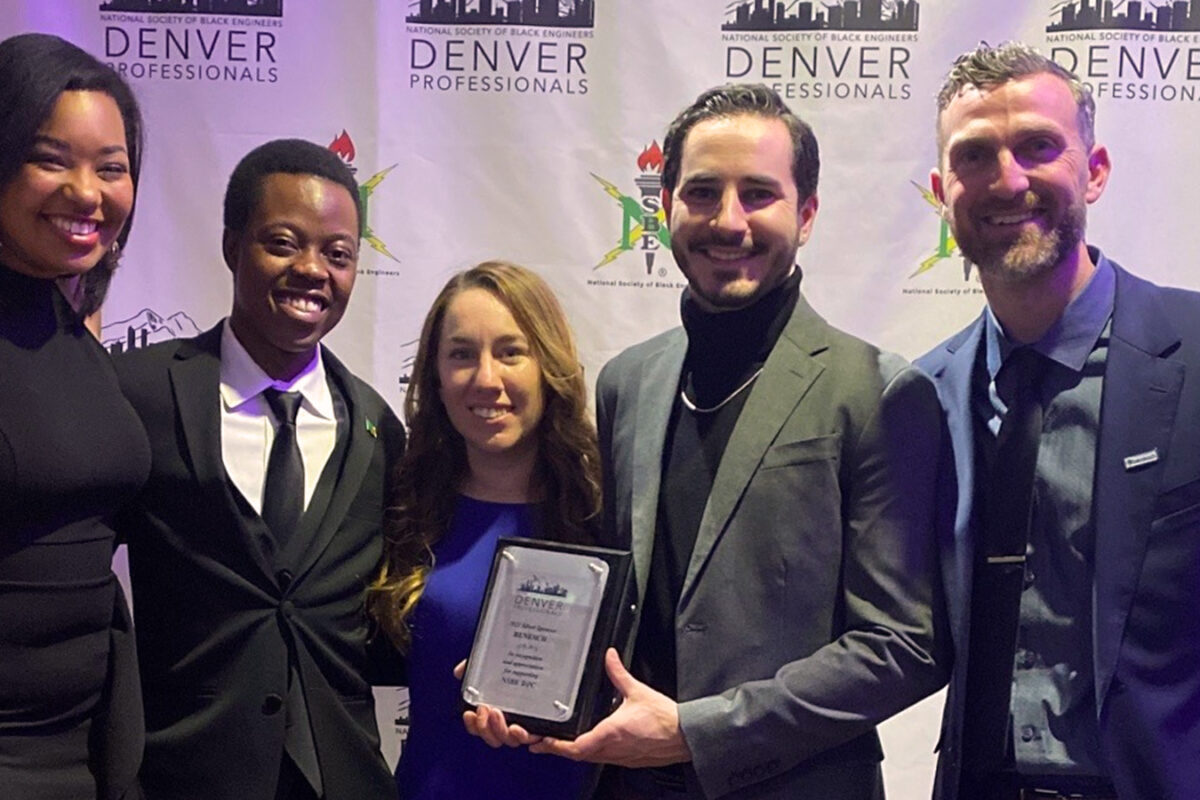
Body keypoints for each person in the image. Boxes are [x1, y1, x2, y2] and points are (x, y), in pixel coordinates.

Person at [477, 84, 947, 799]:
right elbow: (620, 596)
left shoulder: (876, 390)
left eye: (759, 193)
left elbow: (903, 645)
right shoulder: (629, 381)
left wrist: (699, 731)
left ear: (808, 214)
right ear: (665, 207)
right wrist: (524, 673)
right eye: (702, 192)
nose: (728, 221)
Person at [917, 42, 1200, 800]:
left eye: (1038, 147)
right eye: (975, 155)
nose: (1008, 180)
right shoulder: (921, 393)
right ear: (943, 191)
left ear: (1095, 170)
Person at [113, 138, 406, 800]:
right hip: (179, 776)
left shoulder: (379, 428)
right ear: (230, 246)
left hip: (345, 778)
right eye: (282, 242)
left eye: (338, 255)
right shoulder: (140, 394)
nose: (312, 270)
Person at [368, 261, 602, 800]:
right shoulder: (399, 506)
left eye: (511, 351)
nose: (487, 378)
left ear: (549, 365)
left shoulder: (606, 514)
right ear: (435, 377)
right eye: (461, 355)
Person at [0, 32, 149, 800]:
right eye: (52, 159)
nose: (88, 192)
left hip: (88, 749)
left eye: (112, 167)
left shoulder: (73, 317)